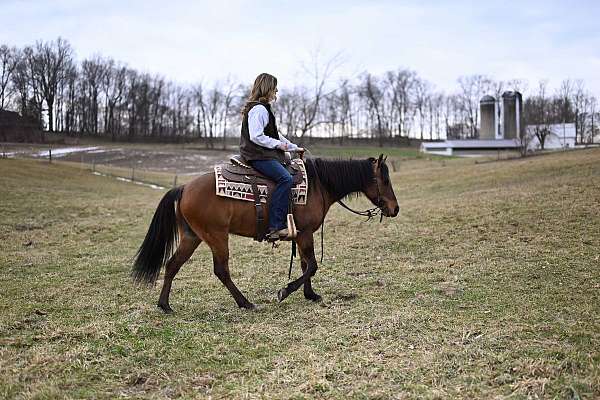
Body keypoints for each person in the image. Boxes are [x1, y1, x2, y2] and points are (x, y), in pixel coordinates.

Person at [239, 73, 304, 240]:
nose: (276, 91)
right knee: (285, 179)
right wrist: (277, 145)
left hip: (263, 154)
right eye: (274, 88)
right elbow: (256, 136)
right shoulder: (259, 109)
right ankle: (276, 226)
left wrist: (294, 147)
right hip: (258, 156)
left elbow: (276, 136)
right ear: (267, 88)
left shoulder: (263, 109)